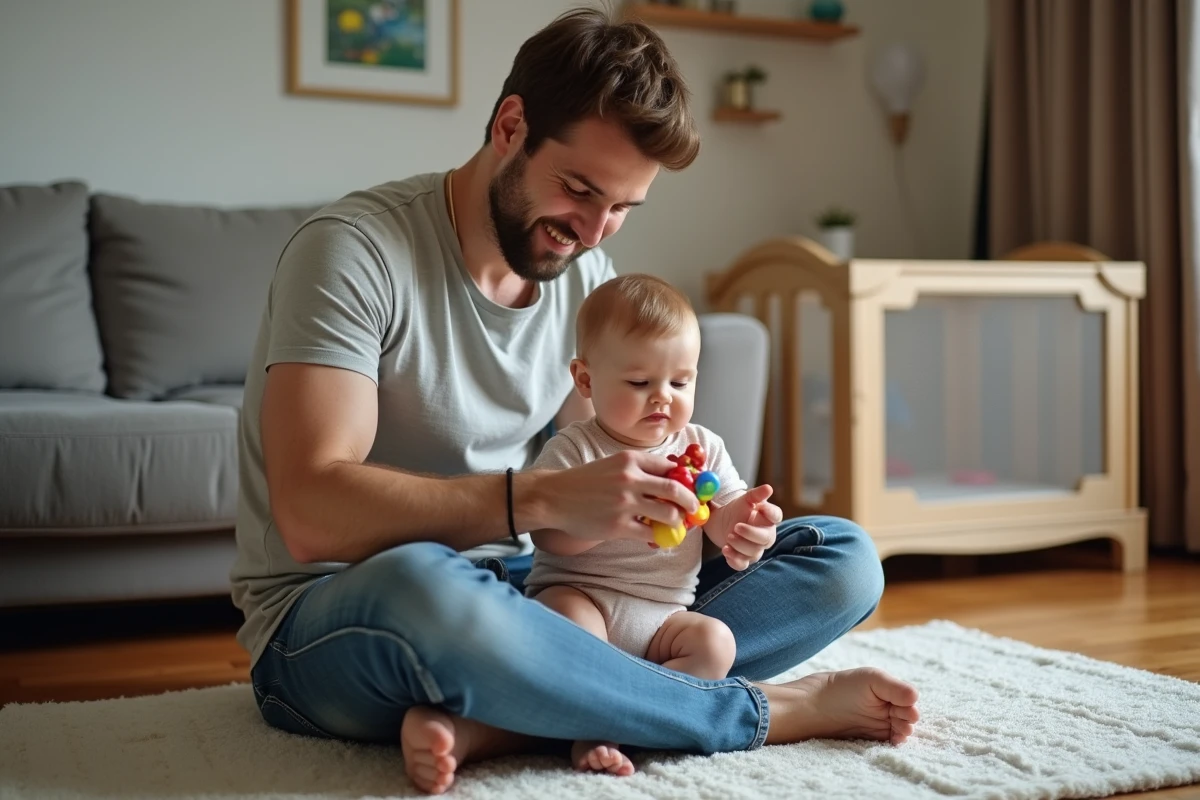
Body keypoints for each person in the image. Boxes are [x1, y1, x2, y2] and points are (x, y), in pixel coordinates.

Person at [231, 7, 919, 796]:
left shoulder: (585, 277)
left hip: (529, 593)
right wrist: (543, 498)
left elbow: (608, 475)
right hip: (346, 612)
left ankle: (513, 714)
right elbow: (311, 512)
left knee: (840, 560)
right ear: (511, 125)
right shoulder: (353, 253)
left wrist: (703, 513)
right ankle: (753, 712)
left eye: (623, 207)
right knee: (425, 585)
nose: (595, 232)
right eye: (580, 190)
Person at [525, 273, 768, 777]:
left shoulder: (700, 447)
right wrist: (612, 516)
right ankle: (594, 728)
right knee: (569, 629)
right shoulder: (574, 448)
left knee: (716, 643)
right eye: (639, 383)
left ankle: (635, 710)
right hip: (583, 595)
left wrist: (743, 525)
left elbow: (720, 512)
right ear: (586, 380)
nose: (663, 398)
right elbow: (545, 534)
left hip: (662, 617)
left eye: (681, 382)